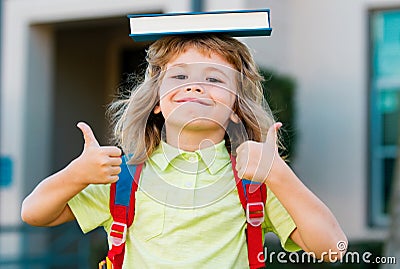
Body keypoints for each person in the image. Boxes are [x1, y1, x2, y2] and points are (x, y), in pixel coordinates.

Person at [21, 34, 347, 268]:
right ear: (158, 103)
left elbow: (333, 249)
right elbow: (35, 213)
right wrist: (75, 174)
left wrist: (278, 174)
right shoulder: (122, 177)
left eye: (214, 79)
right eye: (179, 76)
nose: (194, 86)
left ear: (236, 107)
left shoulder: (255, 180)